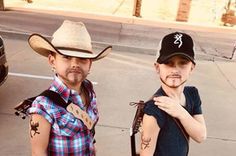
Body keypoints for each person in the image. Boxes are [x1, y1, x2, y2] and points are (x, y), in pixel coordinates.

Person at [27, 20, 112, 155]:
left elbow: (89, 131)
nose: (75, 64)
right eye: (66, 57)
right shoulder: (43, 105)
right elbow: (38, 152)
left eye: (82, 59)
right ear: (52, 61)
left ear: (90, 64)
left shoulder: (89, 91)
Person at [140, 32, 207, 156]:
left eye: (183, 63)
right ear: (157, 67)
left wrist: (180, 112)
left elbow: (201, 136)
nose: (175, 69)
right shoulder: (155, 109)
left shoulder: (192, 94)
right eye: (168, 63)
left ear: (192, 68)